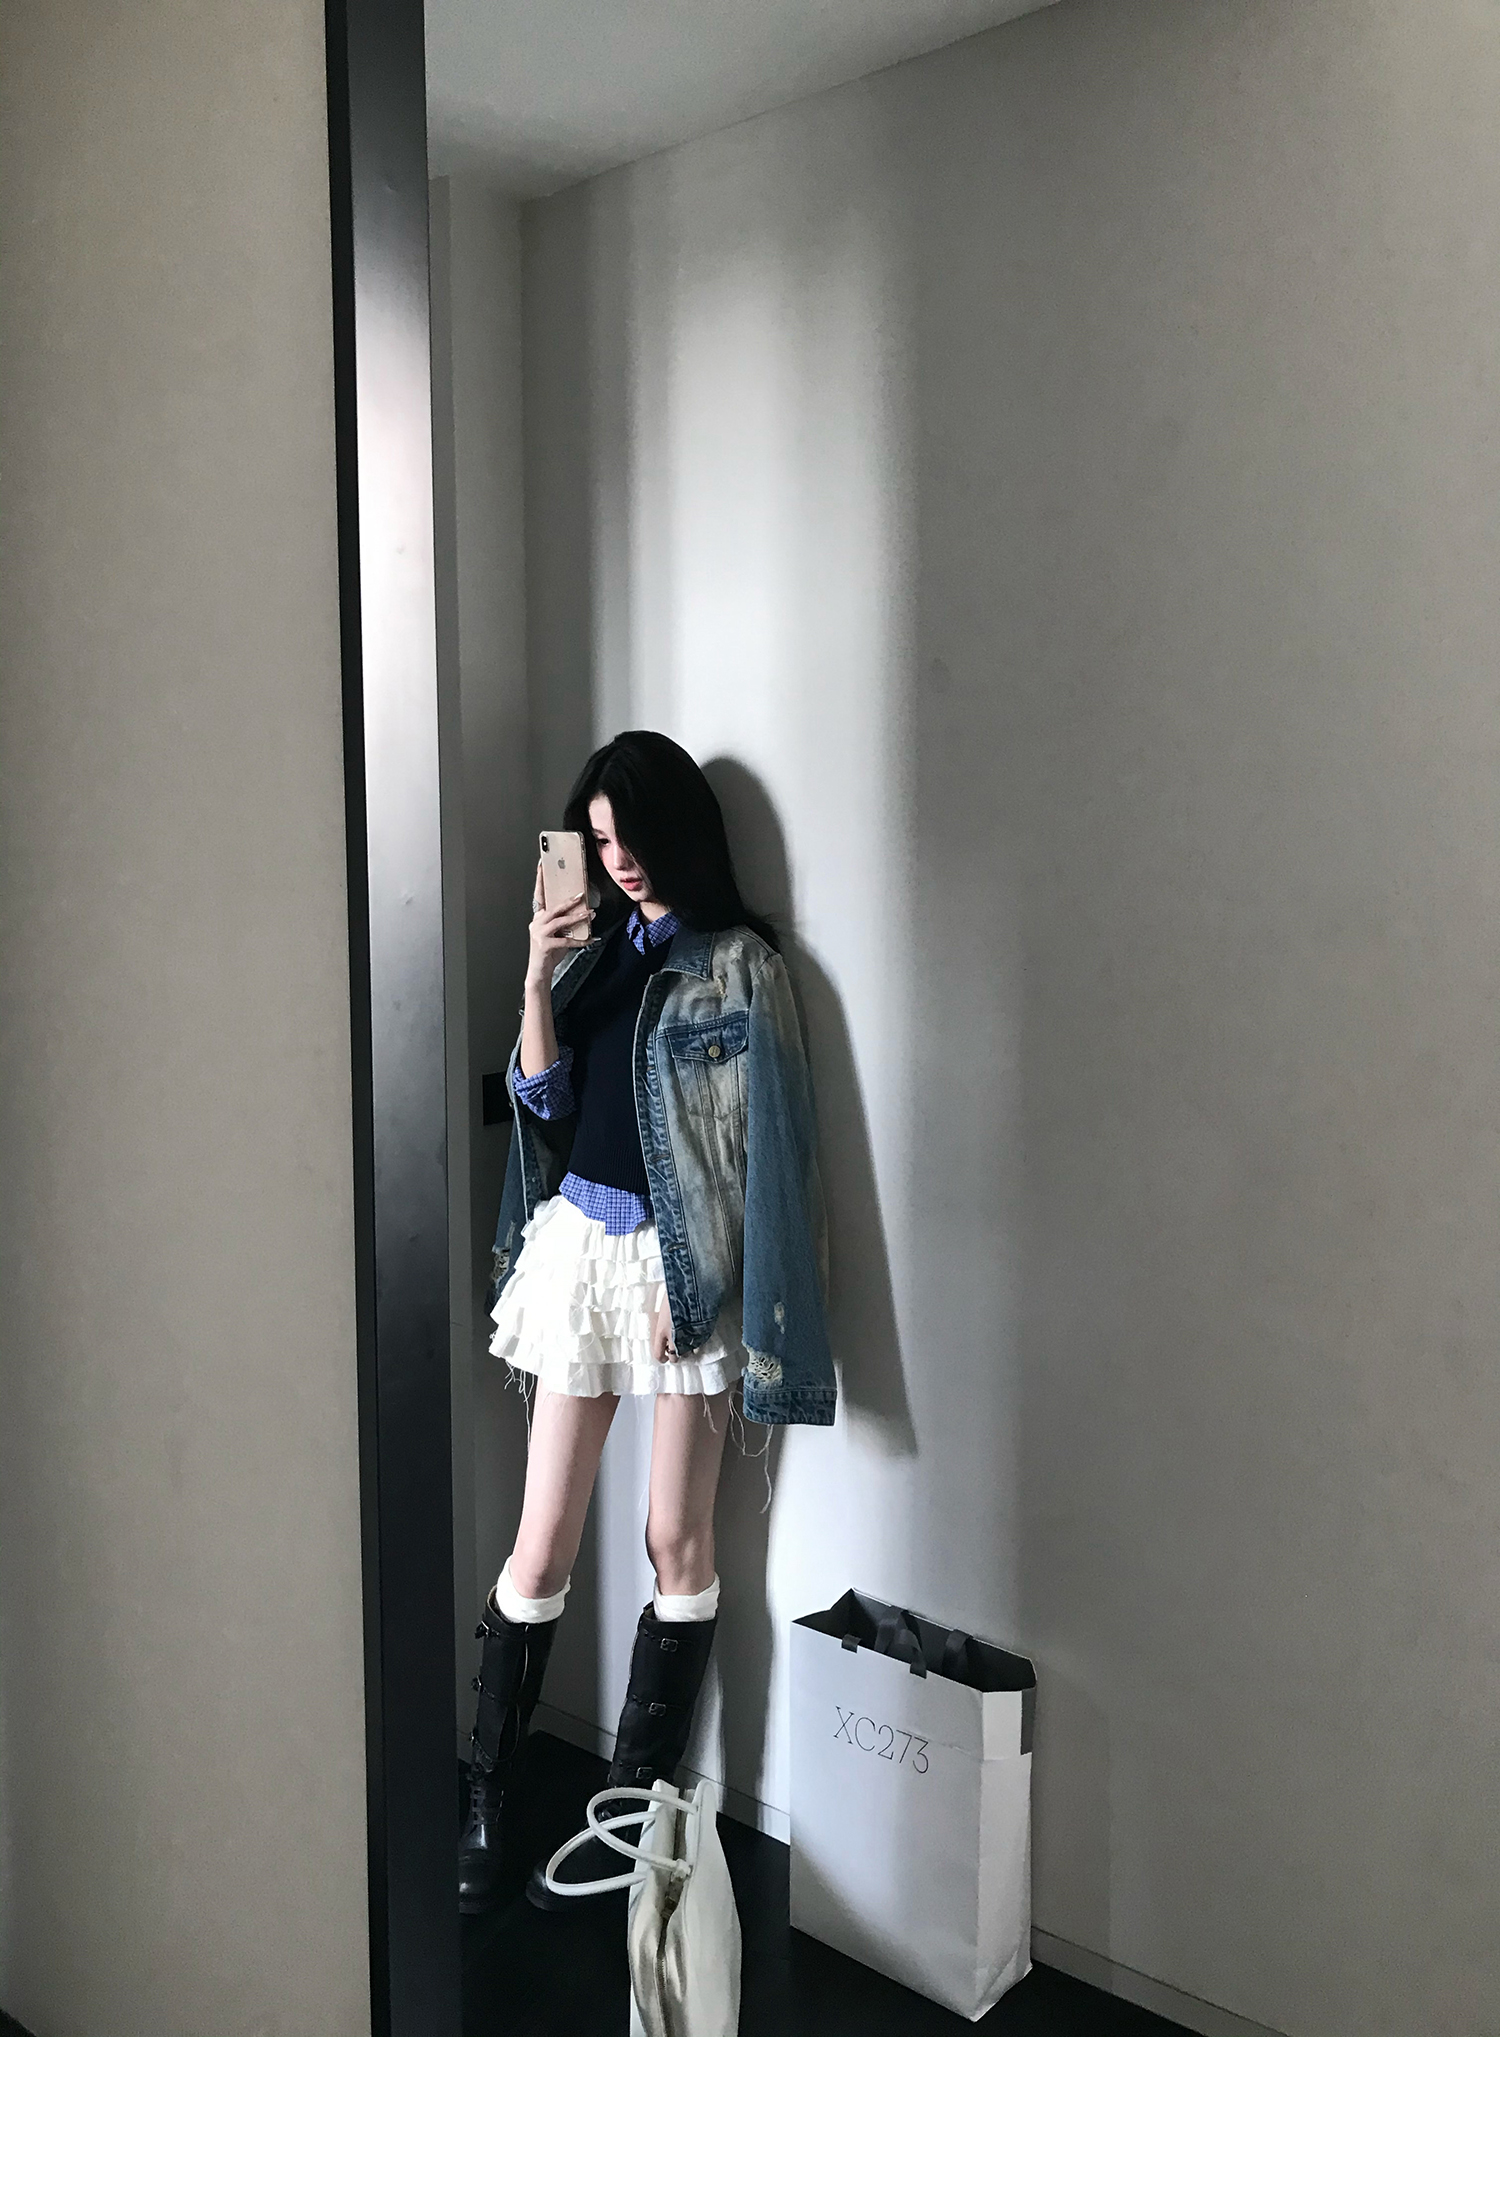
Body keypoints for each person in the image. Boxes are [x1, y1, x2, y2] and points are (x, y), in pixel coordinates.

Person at [458, 730, 836, 1913]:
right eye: (599, 840)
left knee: (677, 1537)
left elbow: (772, 1150)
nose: (617, 861)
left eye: (631, 837)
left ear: (680, 831)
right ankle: (489, 1799)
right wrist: (537, 974)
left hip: (683, 1277)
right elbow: (544, 1100)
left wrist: (706, 1277)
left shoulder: (743, 967)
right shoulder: (594, 957)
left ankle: (637, 1811)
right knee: (540, 1545)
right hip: (581, 1253)